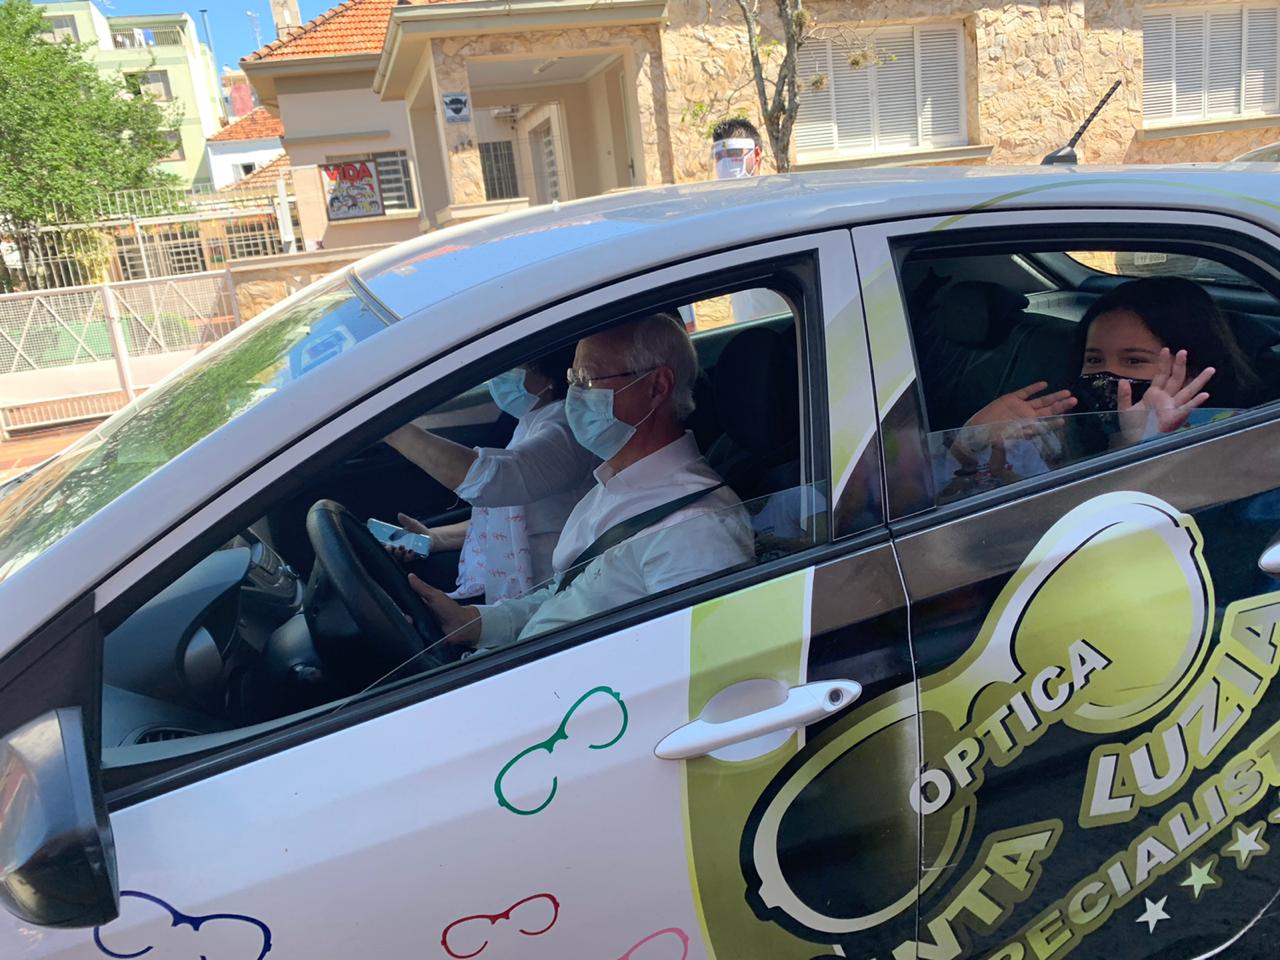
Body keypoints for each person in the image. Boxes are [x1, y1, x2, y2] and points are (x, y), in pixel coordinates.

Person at [408, 313, 754, 653]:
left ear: (656, 387)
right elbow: (566, 593)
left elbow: (692, 663)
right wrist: (474, 623)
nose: (573, 395)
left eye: (587, 379)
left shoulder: (693, 529)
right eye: (572, 378)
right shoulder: (612, 488)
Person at [942, 276, 1261, 496]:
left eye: (1134, 361)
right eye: (1094, 360)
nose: (1109, 376)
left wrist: (1148, 449)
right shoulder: (1051, 435)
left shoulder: (1233, 439)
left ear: (1189, 371)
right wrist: (969, 442)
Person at [383, 346, 597, 603]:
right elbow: (507, 514)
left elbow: (492, 481)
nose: (500, 377)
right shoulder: (533, 420)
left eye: (514, 367)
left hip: (544, 594)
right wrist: (434, 538)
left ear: (549, 377)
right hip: (502, 571)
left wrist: (391, 429)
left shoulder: (567, 429)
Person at [708, 117, 791, 326]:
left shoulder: (778, 206)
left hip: (785, 325)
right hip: (748, 326)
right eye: (720, 156)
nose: (726, 162)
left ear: (756, 154)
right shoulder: (724, 215)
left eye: (734, 153)